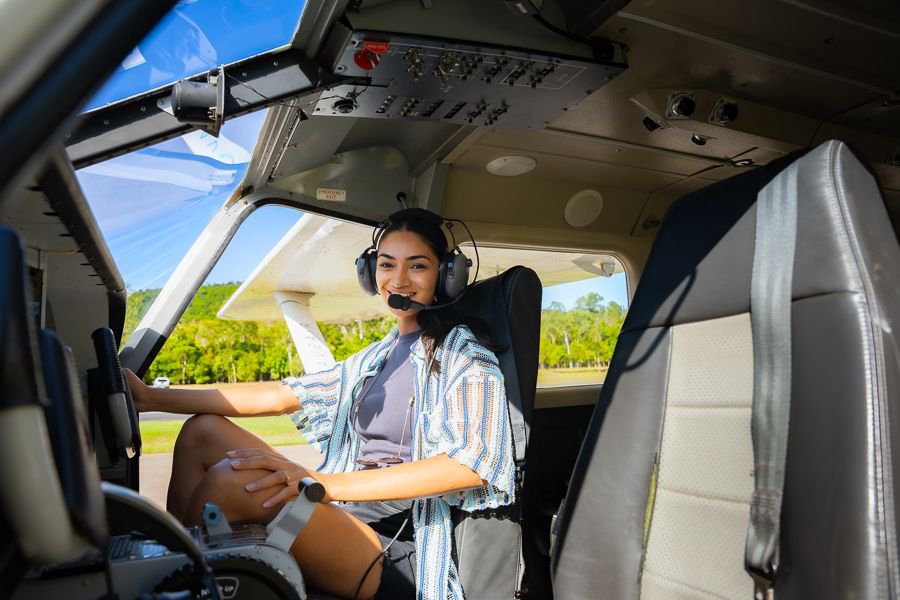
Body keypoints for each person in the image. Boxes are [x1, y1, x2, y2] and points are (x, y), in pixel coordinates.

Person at [126, 208, 515, 600]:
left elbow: (470, 464)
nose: (398, 280)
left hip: (400, 541)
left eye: (417, 266)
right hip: (349, 509)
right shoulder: (374, 357)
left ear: (446, 275)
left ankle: (180, 586)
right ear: (369, 273)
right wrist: (150, 397)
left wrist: (326, 484)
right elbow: (281, 395)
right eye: (386, 264)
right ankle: (180, 573)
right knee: (201, 432)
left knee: (232, 482)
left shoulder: (463, 352)